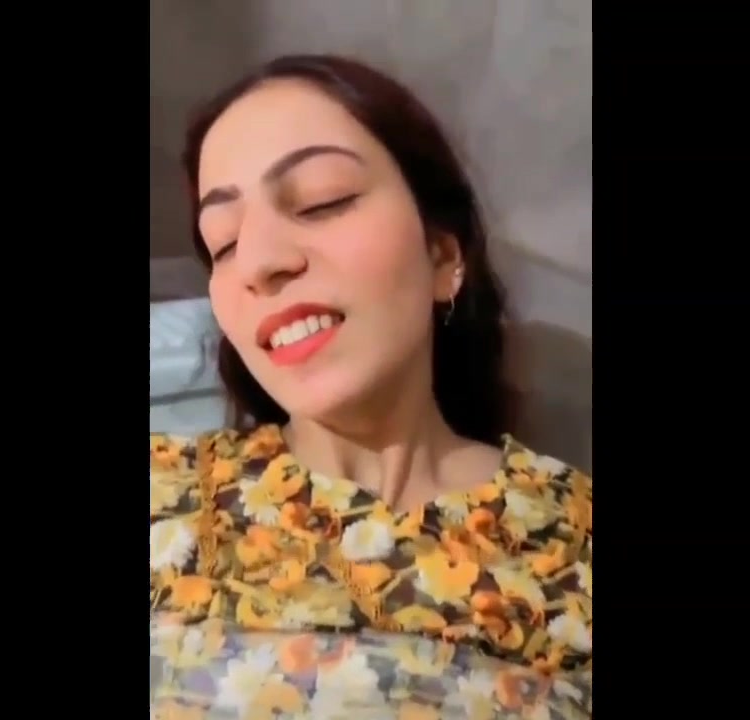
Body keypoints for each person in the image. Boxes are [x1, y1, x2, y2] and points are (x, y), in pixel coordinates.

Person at [150, 54, 592, 676]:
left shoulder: (574, 538)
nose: (258, 261)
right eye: (223, 241)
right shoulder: (165, 497)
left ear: (442, 256)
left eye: (321, 201)